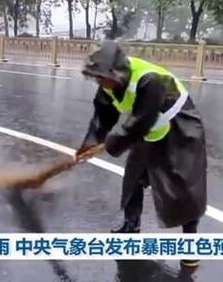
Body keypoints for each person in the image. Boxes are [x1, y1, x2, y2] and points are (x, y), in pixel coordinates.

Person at [77, 41, 207, 269]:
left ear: (116, 71)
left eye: (101, 77)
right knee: (134, 177)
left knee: (183, 187)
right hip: (147, 128)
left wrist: (111, 143)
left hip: (179, 127)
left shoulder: (148, 80)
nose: (99, 82)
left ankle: (190, 243)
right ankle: (131, 225)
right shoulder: (108, 83)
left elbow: (140, 121)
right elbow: (102, 117)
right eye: (95, 77)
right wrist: (90, 143)